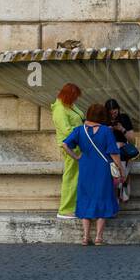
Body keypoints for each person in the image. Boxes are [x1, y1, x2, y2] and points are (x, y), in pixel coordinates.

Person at [62, 104, 124, 246]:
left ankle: (85, 237)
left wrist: (77, 157)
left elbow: (65, 145)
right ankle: (98, 238)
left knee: (85, 198)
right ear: (103, 116)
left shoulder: (79, 130)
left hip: (85, 168)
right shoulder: (106, 131)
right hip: (102, 169)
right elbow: (114, 153)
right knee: (102, 197)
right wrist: (121, 169)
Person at [50, 83, 84, 218]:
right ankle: (65, 209)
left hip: (76, 145)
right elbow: (66, 130)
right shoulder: (59, 109)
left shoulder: (68, 105)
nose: (76, 100)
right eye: (74, 96)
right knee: (71, 177)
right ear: (68, 95)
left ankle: (73, 206)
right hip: (70, 147)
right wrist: (83, 133)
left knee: (75, 177)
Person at [105, 98, 139, 203]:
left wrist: (121, 129)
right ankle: (119, 193)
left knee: (122, 167)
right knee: (117, 170)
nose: (113, 115)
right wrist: (107, 130)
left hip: (123, 151)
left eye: (115, 112)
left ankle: (120, 193)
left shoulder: (124, 118)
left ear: (118, 109)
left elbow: (132, 140)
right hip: (109, 151)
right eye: (110, 113)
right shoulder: (103, 120)